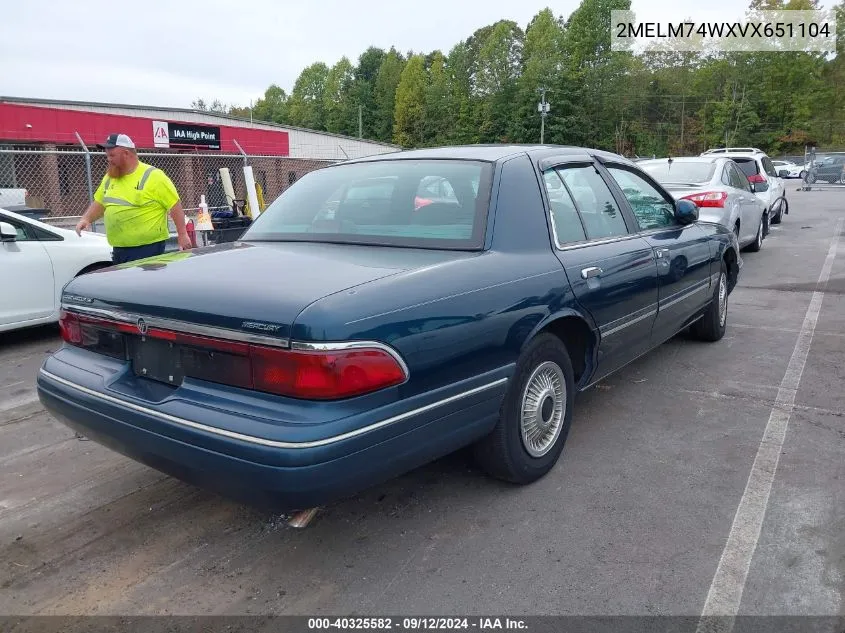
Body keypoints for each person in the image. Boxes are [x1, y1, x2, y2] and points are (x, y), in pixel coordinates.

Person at [75, 133, 192, 264]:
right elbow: (101, 202)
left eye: (112, 155)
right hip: (120, 249)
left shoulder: (154, 176)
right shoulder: (110, 177)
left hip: (148, 248)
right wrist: (86, 218)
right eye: (107, 155)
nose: (108, 159)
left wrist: (182, 235)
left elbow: (174, 205)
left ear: (126, 153)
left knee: (144, 284)